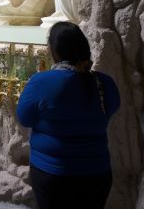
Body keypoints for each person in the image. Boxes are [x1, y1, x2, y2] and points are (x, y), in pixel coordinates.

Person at [16, 21, 120, 209]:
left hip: (54, 174)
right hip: (97, 173)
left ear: (54, 51)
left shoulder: (41, 82)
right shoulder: (105, 83)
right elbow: (112, 108)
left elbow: (24, 118)